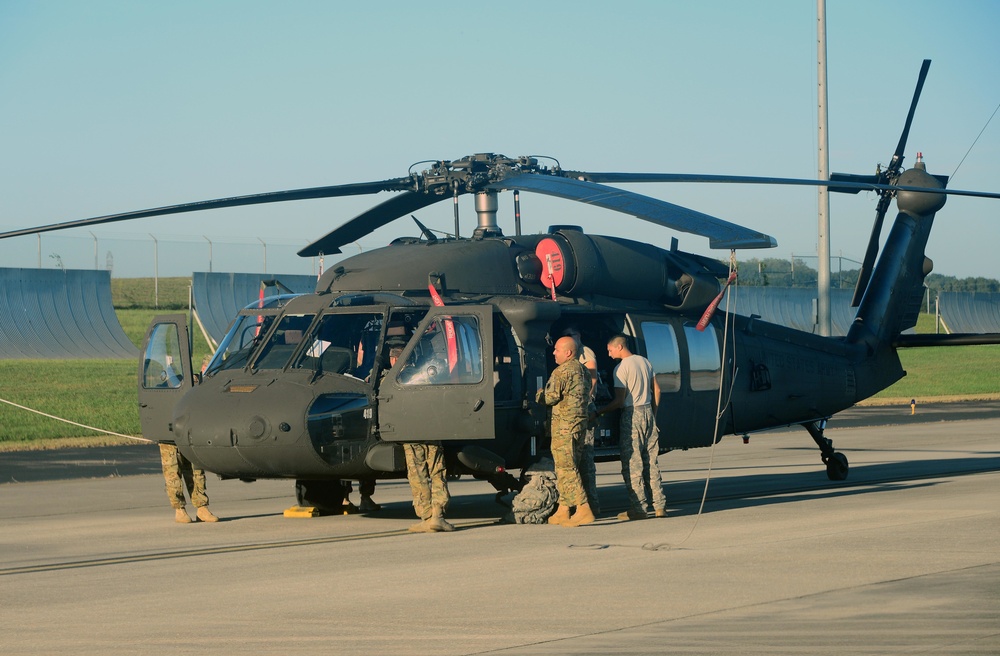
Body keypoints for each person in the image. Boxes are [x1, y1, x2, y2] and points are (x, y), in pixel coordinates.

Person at [594, 334, 667, 521]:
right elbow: (657, 390)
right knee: (651, 462)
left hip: (631, 415)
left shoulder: (621, 369)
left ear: (619, 347)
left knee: (632, 464)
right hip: (648, 413)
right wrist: (654, 415)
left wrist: (599, 412)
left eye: (610, 350)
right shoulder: (645, 362)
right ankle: (660, 506)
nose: (609, 355)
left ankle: (639, 508)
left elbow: (619, 401)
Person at [535, 335, 594, 527]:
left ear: (568, 353)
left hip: (564, 428)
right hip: (578, 426)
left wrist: (538, 395)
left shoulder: (562, 371)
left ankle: (583, 508)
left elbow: (551, 397)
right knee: (570, 466)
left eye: (557, 350)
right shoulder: (583, 370)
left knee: (565, 468)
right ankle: (564, 509)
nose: (553, 353)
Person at [564, 328, 601, 515]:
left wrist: (582, 400)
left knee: (585, 460)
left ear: (579, 336)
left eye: (572, 334)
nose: (570, 337)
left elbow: (592, 378)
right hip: (574, 411)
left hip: (584, 409)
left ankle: (591, 505)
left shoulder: (585, 353)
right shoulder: (571, 355)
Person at [159, 443, 219, 523]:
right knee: (173, 474)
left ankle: (202, 508)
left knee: (196, 471)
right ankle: (179, 510)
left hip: (188, 437)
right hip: (168, 439)